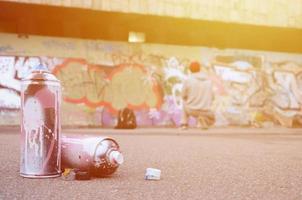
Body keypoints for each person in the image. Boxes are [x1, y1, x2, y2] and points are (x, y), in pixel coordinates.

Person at [180, 61, 214, 130]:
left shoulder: (188, 80)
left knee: (184, 101)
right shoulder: (208, 81)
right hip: (207, 111)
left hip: (192, 110)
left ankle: (184, 124)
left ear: (190, 70)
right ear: (200, 69)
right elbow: (213, 97)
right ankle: (203, 120)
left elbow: (183, 95)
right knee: (208, 114)